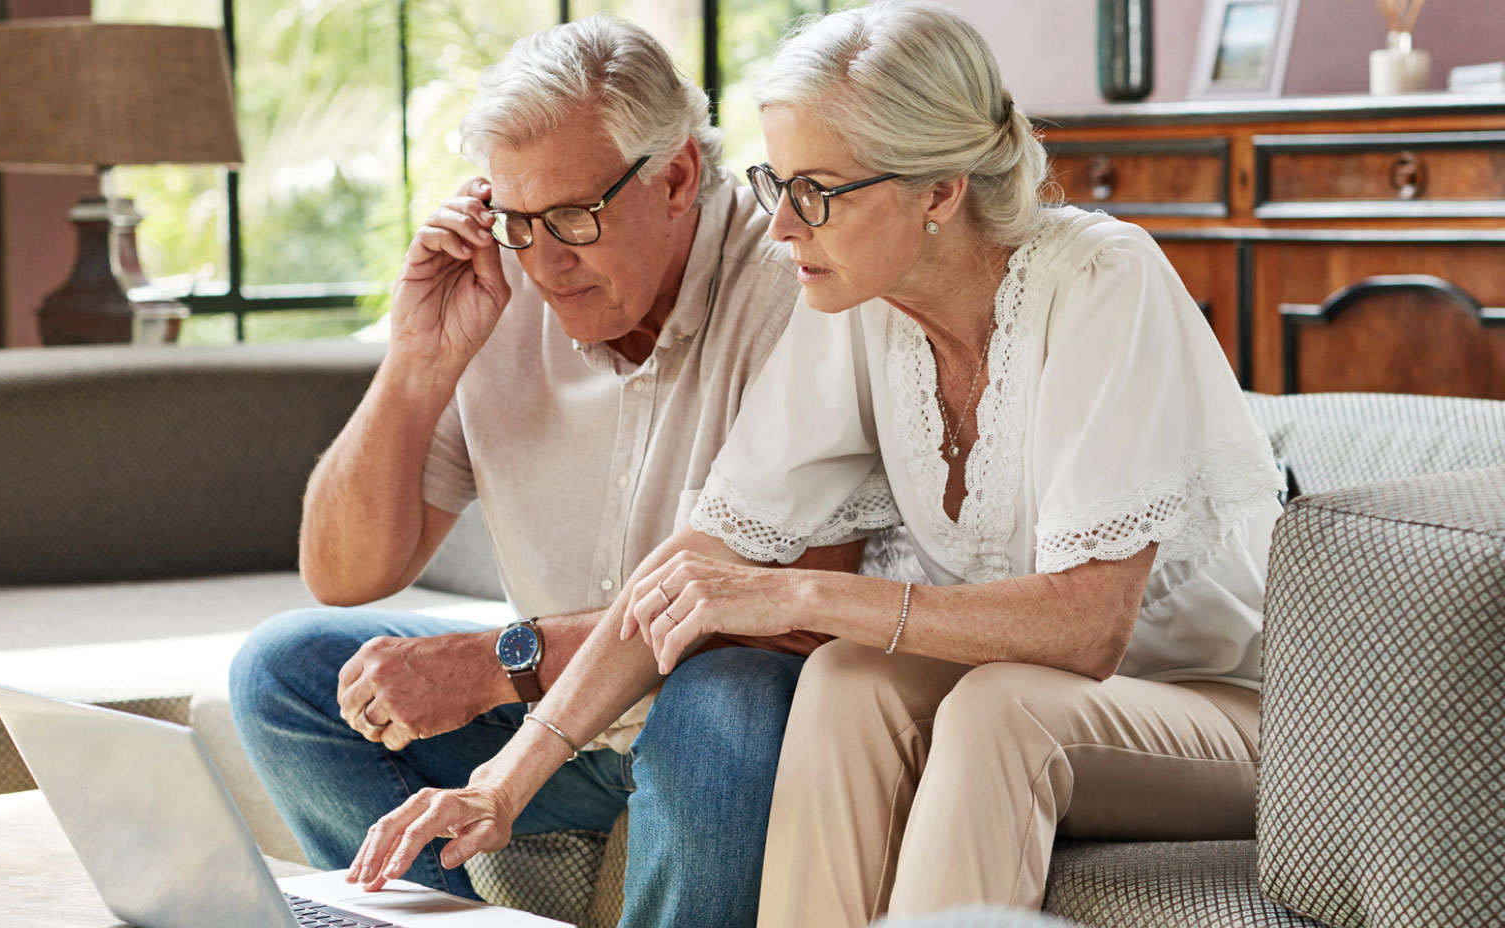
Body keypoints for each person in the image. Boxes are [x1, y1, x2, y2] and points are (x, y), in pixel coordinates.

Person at [346, 3, 1284, 925]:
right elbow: (690, 566)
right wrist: (505, 783)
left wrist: (803, 599)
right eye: (775, 183)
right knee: (847, 683)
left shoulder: (1103, 281)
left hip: (1217, 713)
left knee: (1000, 711)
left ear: (940, 191)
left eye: (818, 193)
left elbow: (1089, 631)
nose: (784, 228)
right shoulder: (862, 305)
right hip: (1037, 691)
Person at [228, 14, 902, 928]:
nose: (543, 261)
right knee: (285, 671)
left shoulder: (795, 287)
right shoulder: (500, 280)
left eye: (574, 218)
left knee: (729, 696)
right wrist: (417, 361)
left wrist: (509, 661)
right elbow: (344, 573)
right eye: (516, 218)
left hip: (717, 721)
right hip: (558, 721)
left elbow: (798, 607)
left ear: (676, 178)